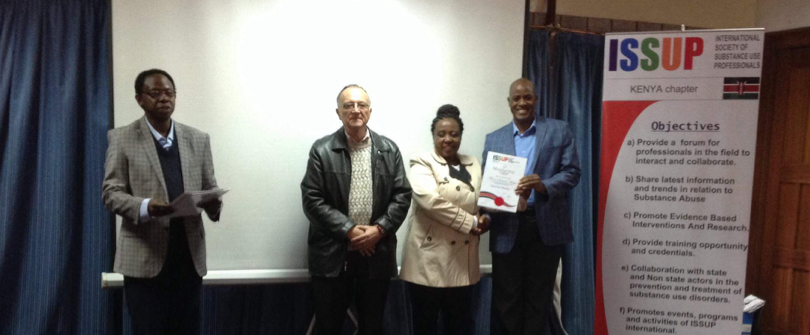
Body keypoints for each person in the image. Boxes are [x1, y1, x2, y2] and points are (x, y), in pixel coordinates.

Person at [102, 69, 223, 335]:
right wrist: (145, 207)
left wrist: (213, 204)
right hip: (145, 263)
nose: (164, 98)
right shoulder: (122, 138)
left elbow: (209, 187)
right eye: (155, 93)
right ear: (139, 99)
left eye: (169, 93)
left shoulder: (198, 139)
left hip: (188, 263)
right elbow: (111, 193)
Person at [300, 84, 411, 335]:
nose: (355, 110)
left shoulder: (389, 149)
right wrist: (350, 231)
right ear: (338, 112)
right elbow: (312, 199)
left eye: (361, 105)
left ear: (370, 111)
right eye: (348, 105)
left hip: (376, 254)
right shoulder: (321, 150)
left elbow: (402, 195)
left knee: (372, 327)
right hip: (332, 257)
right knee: (329, 327)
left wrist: (379, 230)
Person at [482, 78, 580, 335]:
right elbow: (488, 185)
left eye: (527, 97)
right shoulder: (494, 139)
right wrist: (487, 215)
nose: (522, 103)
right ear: (509, 102)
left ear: (536, 99)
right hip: (507, 227)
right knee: (507, 302)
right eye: (516, 98)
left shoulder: (559, 130)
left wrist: (543, 185)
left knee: (539, 301)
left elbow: (572, 172)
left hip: (545, 226)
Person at [400, 104, 489, 335]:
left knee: (460, 327)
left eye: (454, 134)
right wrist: (471, 223)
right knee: (425, 327)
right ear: (433, 136)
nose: (448, 139)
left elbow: (482, 200)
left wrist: (486, 217)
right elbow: (431, 203)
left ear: (460, 136)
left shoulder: (474, 163)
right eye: (441, 134)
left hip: (463, 262)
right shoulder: (421, 162)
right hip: (428, 262)